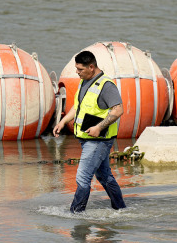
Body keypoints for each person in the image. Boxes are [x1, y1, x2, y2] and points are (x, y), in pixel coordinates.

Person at [53, 51, 126, 213]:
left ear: (91, 67)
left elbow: (118, 109)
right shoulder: (84, 81)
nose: (77, 72)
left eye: (80, 69)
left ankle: (76, 213)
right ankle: (120, 208)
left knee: (83, 177)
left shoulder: (106, 86)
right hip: (86, 139)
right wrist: (63, 121)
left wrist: (99, 127)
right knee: (104, 176)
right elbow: (78, 106)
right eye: (76, 69)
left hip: (99, 140)